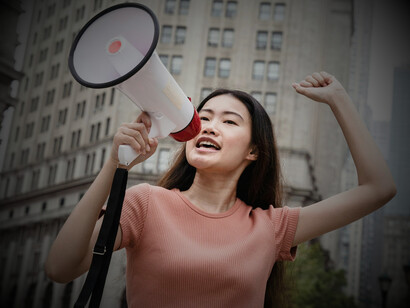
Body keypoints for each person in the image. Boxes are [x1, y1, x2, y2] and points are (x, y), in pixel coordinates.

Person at [45, 71, 396, 307]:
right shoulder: (146, 203)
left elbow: (378, 188)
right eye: (205, 117)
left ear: (253, 151)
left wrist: (339, 99)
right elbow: (60, 268)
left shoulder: (271, 227)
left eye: (229, 122)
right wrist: (114, 165)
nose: (210, 127)